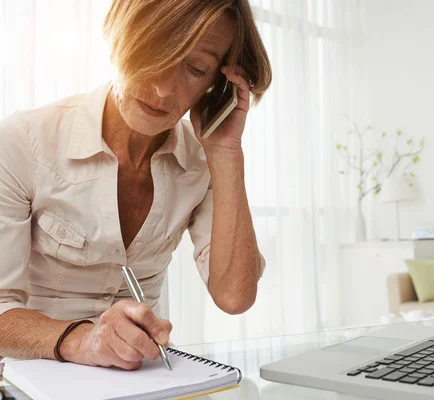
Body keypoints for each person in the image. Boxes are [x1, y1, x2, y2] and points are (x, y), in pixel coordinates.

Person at [0, 0, 271, 371]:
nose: (161, 88)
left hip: (147, 378)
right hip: (32, 378)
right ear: (121, 39)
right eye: (154, 52)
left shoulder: (204, 158)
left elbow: (234, 296)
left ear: (217, 86)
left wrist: (226, 154)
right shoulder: (23, 141)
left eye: (194, 68)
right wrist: (85, 340)